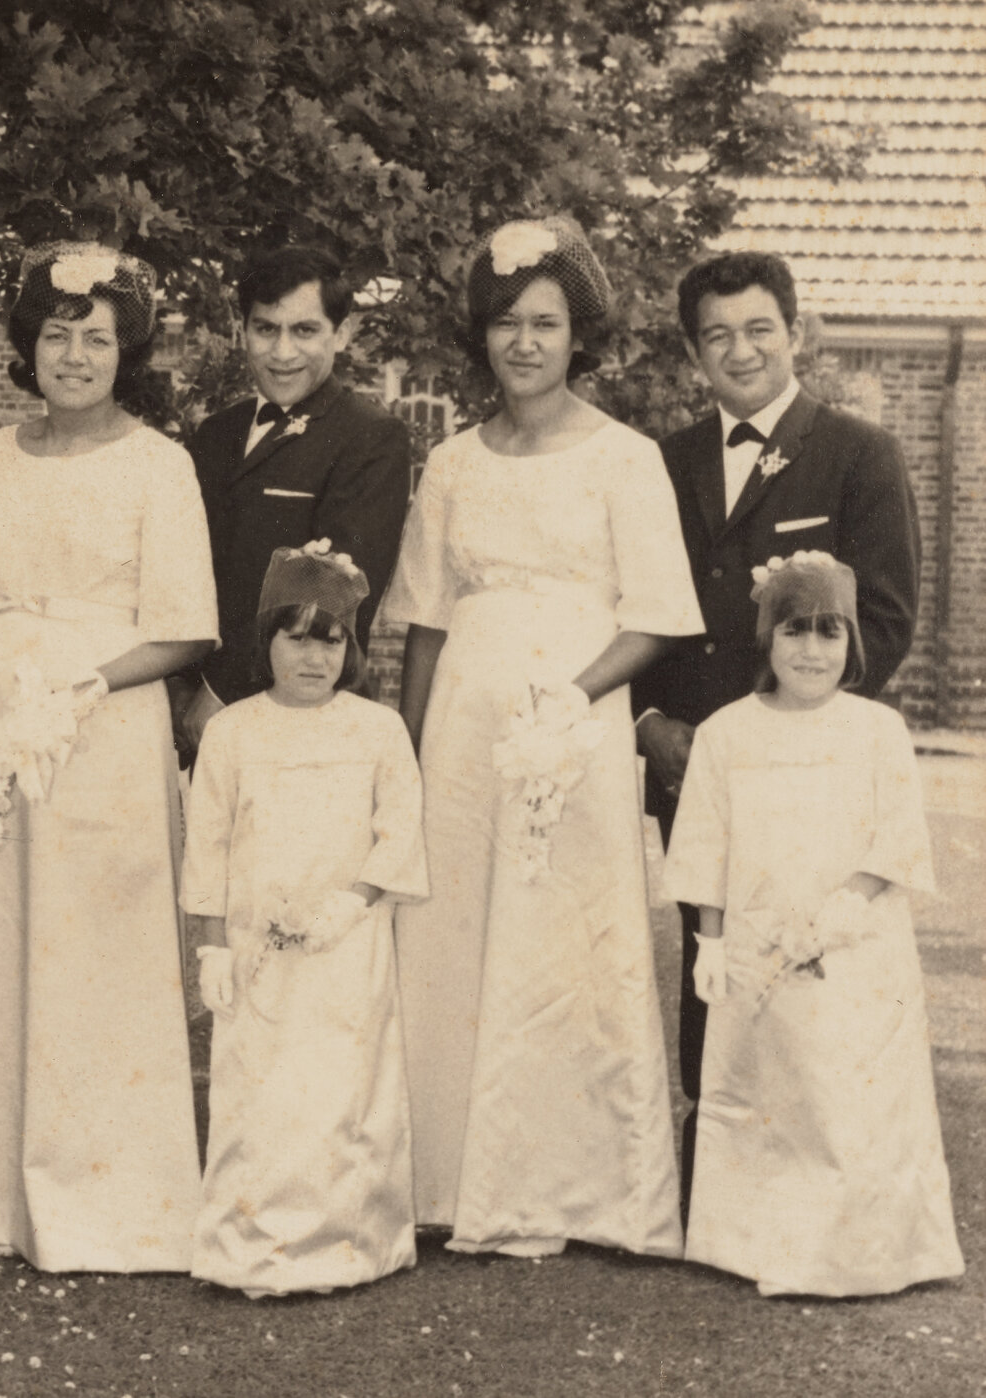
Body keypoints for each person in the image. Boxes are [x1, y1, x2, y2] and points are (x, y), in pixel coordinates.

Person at [385, 215, 701, 1258]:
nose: (524, 341)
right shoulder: (451, 462)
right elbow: (426, 619)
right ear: (481, 336)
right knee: (456, 927)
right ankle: (441, 1175)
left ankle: (574, 1188)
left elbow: (654, 613)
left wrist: (570, 697)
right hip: (467, 725)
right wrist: (414, 754)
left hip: (573, 721)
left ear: (578, 336)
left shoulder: (625, 458)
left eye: (545, 323)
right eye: (506, 323)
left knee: (567, 935)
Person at [0, 242, 218, 1273]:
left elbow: (186, 630)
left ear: (125, 353)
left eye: (96, 338)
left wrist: (85, 684)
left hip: (107, 726)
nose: (75, 355)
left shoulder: (158, 464)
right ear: (27, 347)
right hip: (9, 719)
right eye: (56, 335)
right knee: (5, 941)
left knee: (98, 953)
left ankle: (110, 1203)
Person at [630, 251, 922, 1214]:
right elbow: (639, 606)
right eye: (715, 335)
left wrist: (800, 725)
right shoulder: (659, 464)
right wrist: (650, 723)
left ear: (793, 334)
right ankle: (717, 1160)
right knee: (712, 946)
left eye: (758, 329)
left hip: (812, 768)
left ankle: (825, 1167)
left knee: (814, 958)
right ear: (691, 351)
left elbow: (881, 617)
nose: (739, 350)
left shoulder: (854, 453)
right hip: (695, 763)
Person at [662, 552, 961, 1296]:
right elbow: (704, 840)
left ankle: (859, 1246)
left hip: (854, 940)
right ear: (767, 642)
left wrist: (845, 904)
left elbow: (894, 836)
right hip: (757, 946)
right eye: (794, 632)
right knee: (768, 1088)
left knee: (848, 1086)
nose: (810, 652)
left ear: (851, 646)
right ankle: (756, 1241)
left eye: (828, 635)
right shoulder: (729, 734)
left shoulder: (875, 728)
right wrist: (709, 937)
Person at [183, 541, 427, 1298]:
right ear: (267, 643)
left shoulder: (377, 730)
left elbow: (401, 831)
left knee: (340, 1088)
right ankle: (248, 1243)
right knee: (259, 1090)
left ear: (349, 650)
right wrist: (212, 948)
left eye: (331, 640)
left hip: (344, 947)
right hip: (259, 948)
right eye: (296, 637)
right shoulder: (231, 733)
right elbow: (210, 846)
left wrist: (351, 902)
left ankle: (348, 1241)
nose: (313, 658)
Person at [182, 246, 413, 745]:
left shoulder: (370, 437)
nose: (282, 352)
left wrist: (220, 693)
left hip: (301, 716)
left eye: (304, 331)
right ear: (243, 330)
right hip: (185, 708)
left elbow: (334, 591)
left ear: (342, 333)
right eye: (266, 329)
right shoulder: (215, 435)